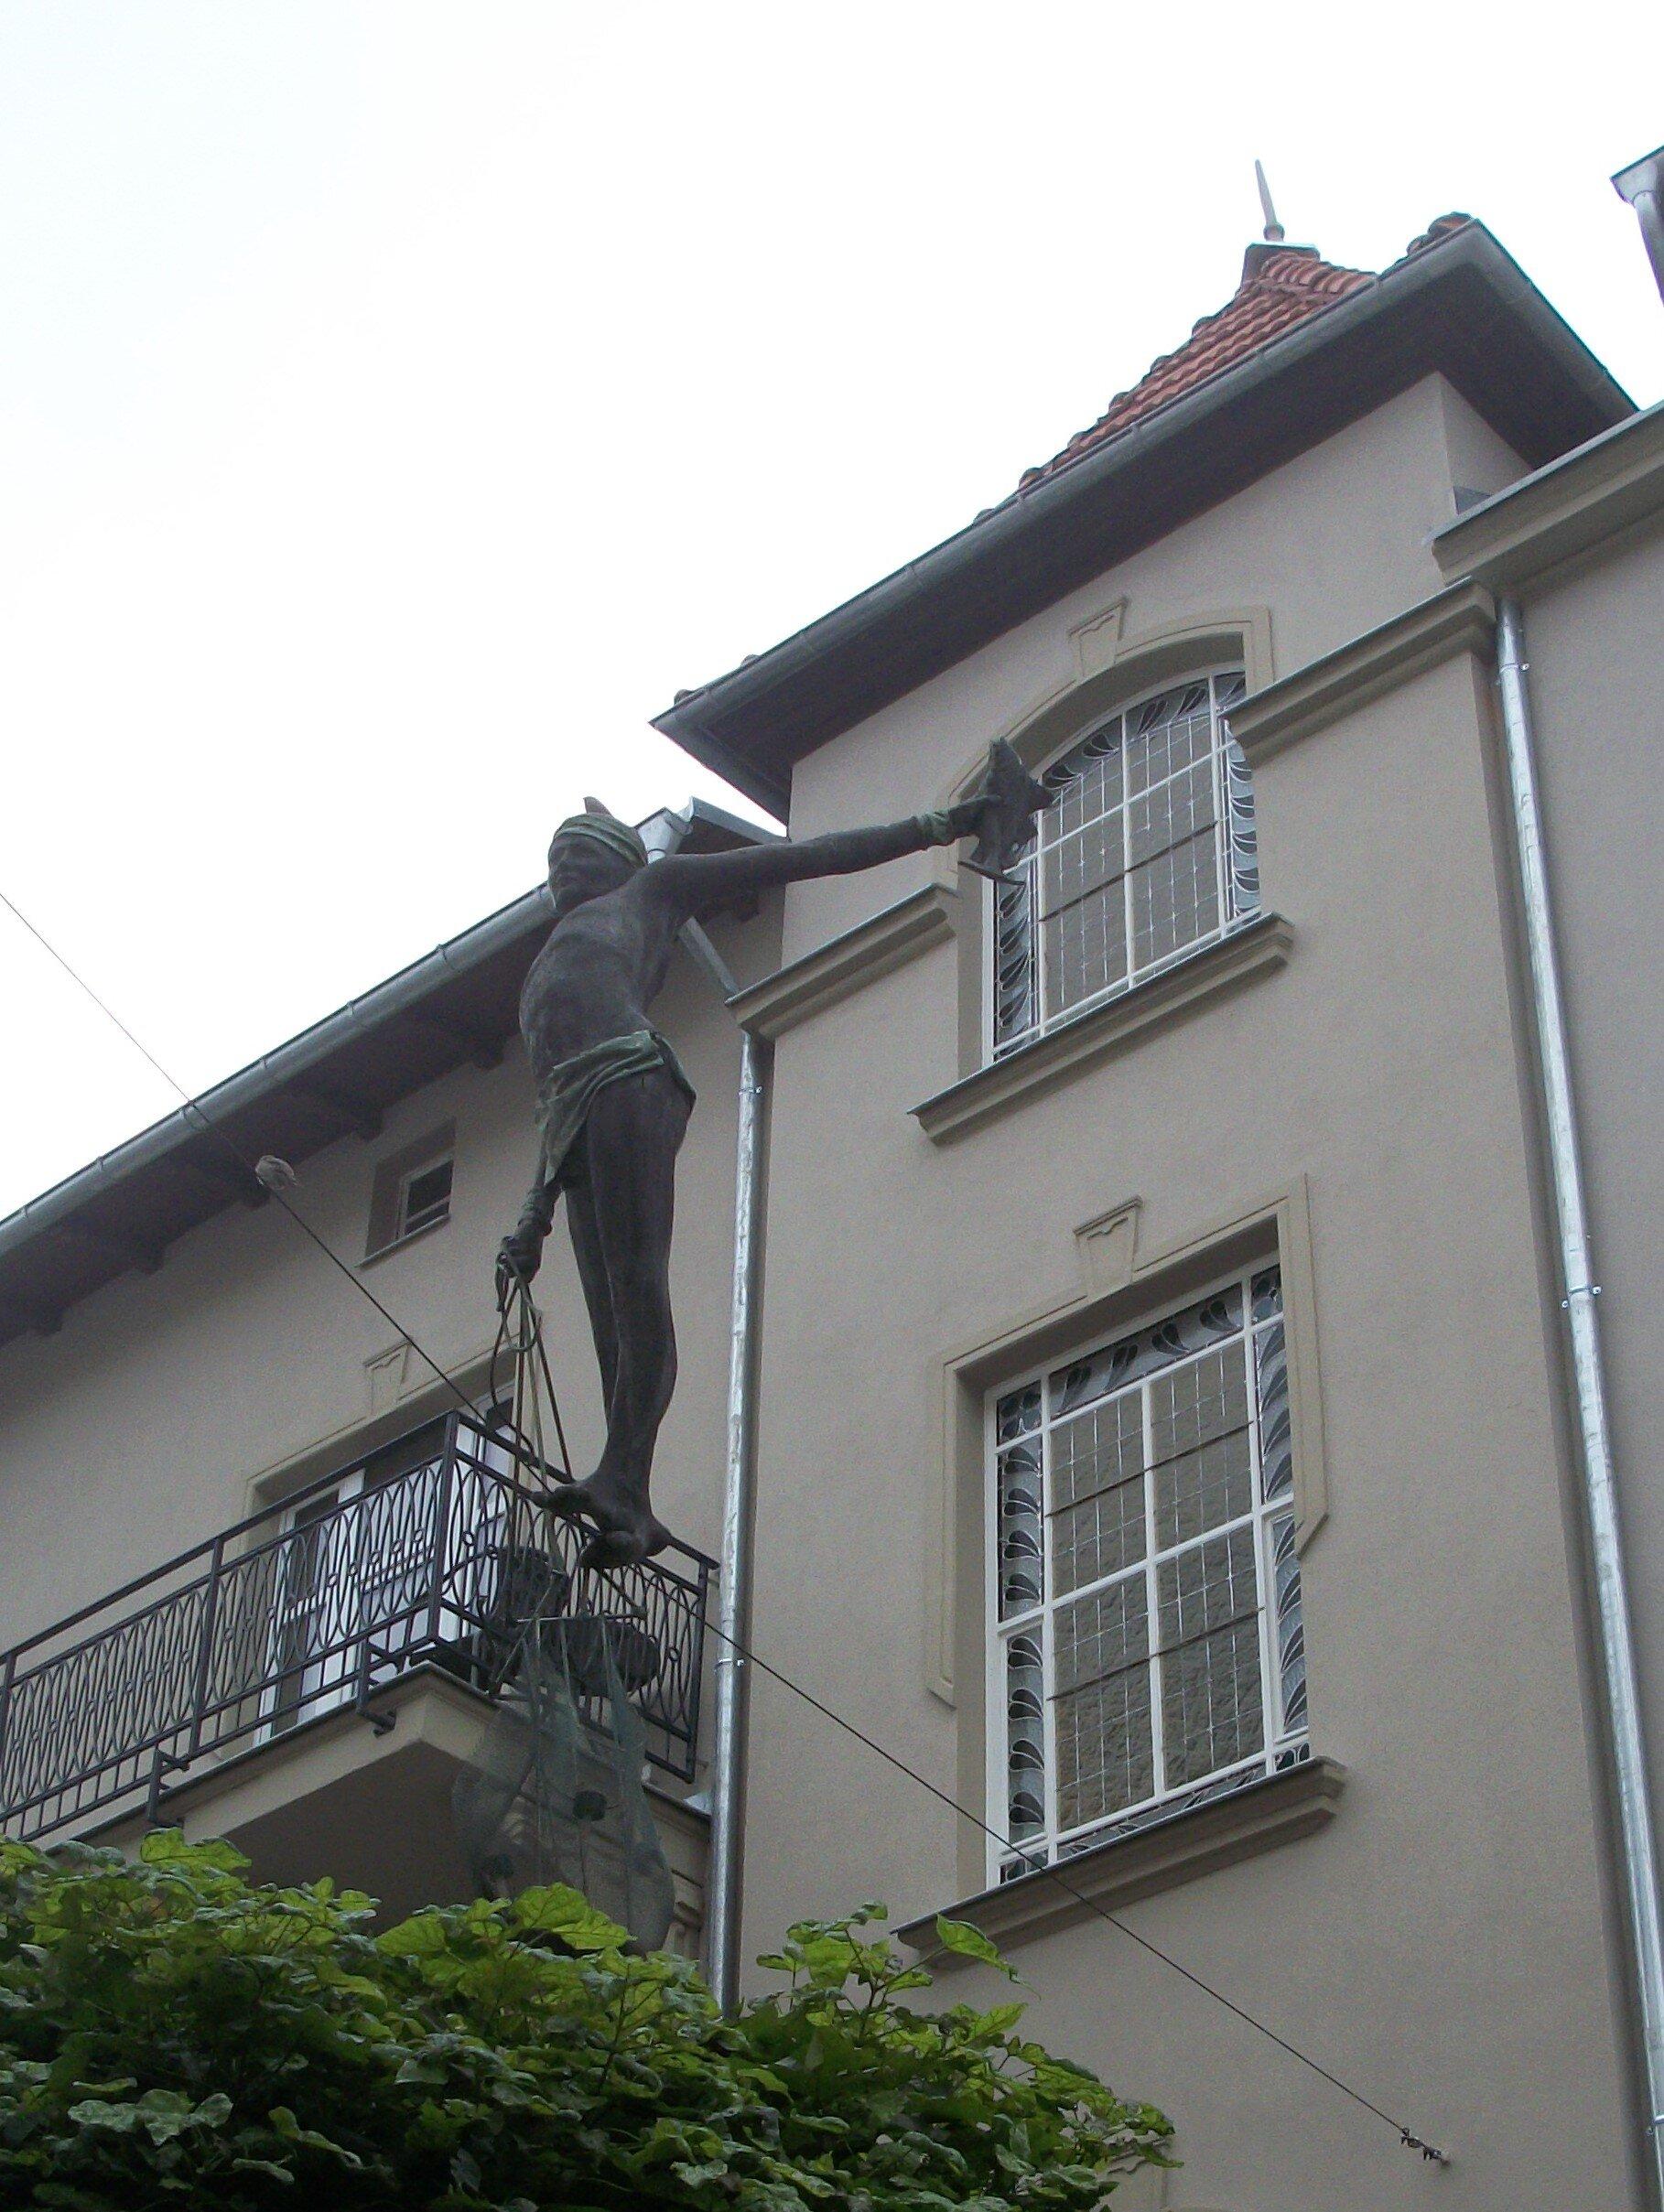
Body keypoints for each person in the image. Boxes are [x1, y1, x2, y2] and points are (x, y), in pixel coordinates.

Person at [500, 767, 1034, 1566]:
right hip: (575, 1117)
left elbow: (807, 857)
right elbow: (549, 1100)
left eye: (581, 852)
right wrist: (530, 1220)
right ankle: (629, 1494)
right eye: (555, 860)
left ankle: (622, 1475)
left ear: (621, 862)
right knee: (610, 1319)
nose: (564, 869)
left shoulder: (655, 890)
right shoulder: (544, 966)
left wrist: (934, 823)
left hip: (630, 1079)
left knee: (640, 1285)